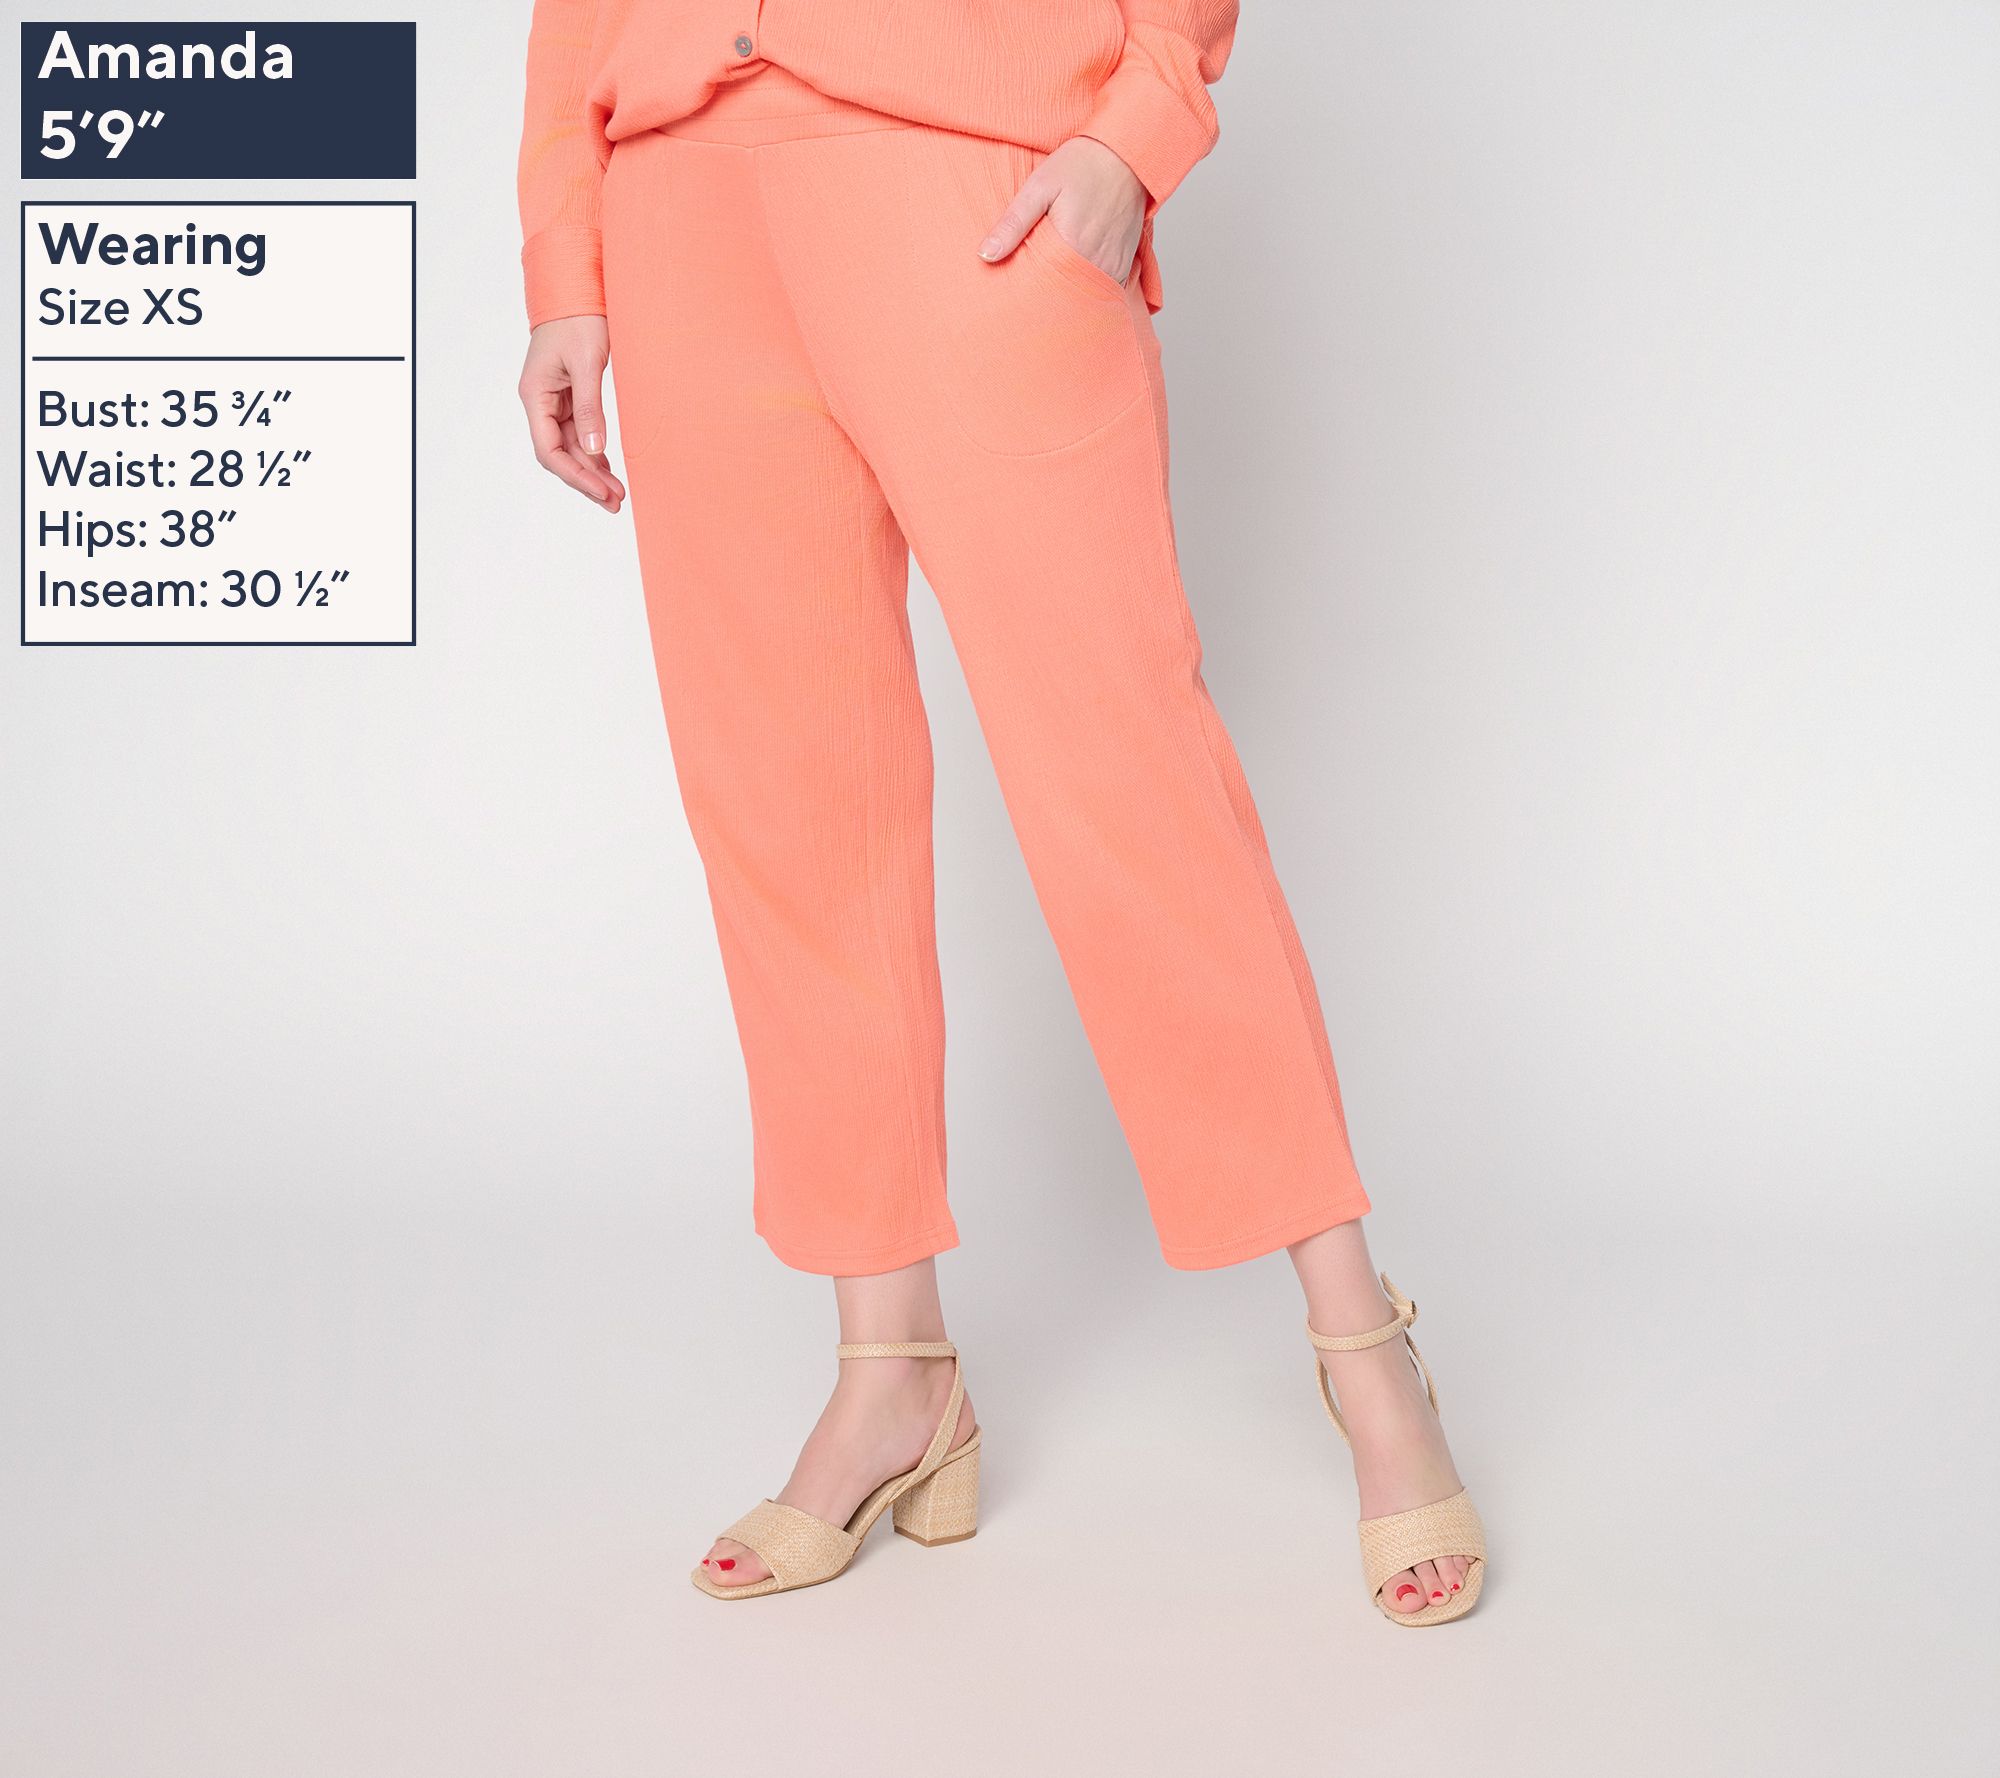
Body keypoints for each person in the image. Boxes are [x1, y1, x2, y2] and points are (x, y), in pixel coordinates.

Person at [516, 1, 1484, 1623]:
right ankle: (891, 1371)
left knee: (1125, 781)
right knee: (787, 811)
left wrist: (1137, 131)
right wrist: (567, 261)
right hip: (678, 196)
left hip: (963, 175)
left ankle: (1363, 1343)